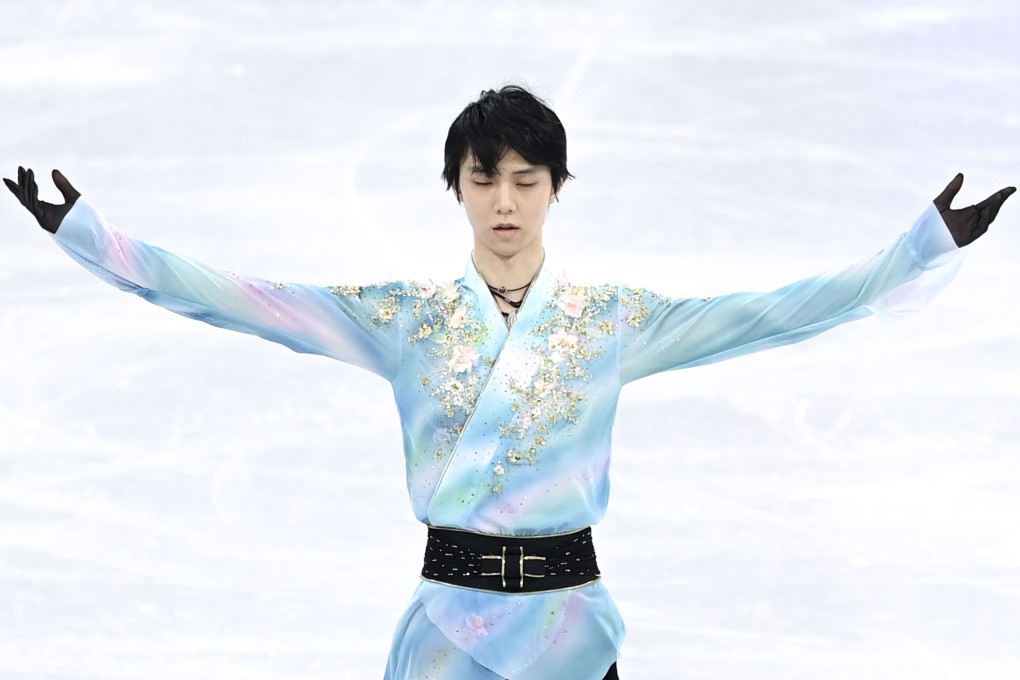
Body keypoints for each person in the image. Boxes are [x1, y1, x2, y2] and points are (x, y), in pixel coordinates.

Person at [4, 85, 1014, 680]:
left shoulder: (611, 320)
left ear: (556, 187)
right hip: (446, 629)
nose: (504, 198)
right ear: (457, 184)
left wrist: (921, 247)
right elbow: (241, 296)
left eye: (526, 177)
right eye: (484, 176)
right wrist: (89, 234)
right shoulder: (403, 315)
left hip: (572, 628)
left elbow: (778, 310)